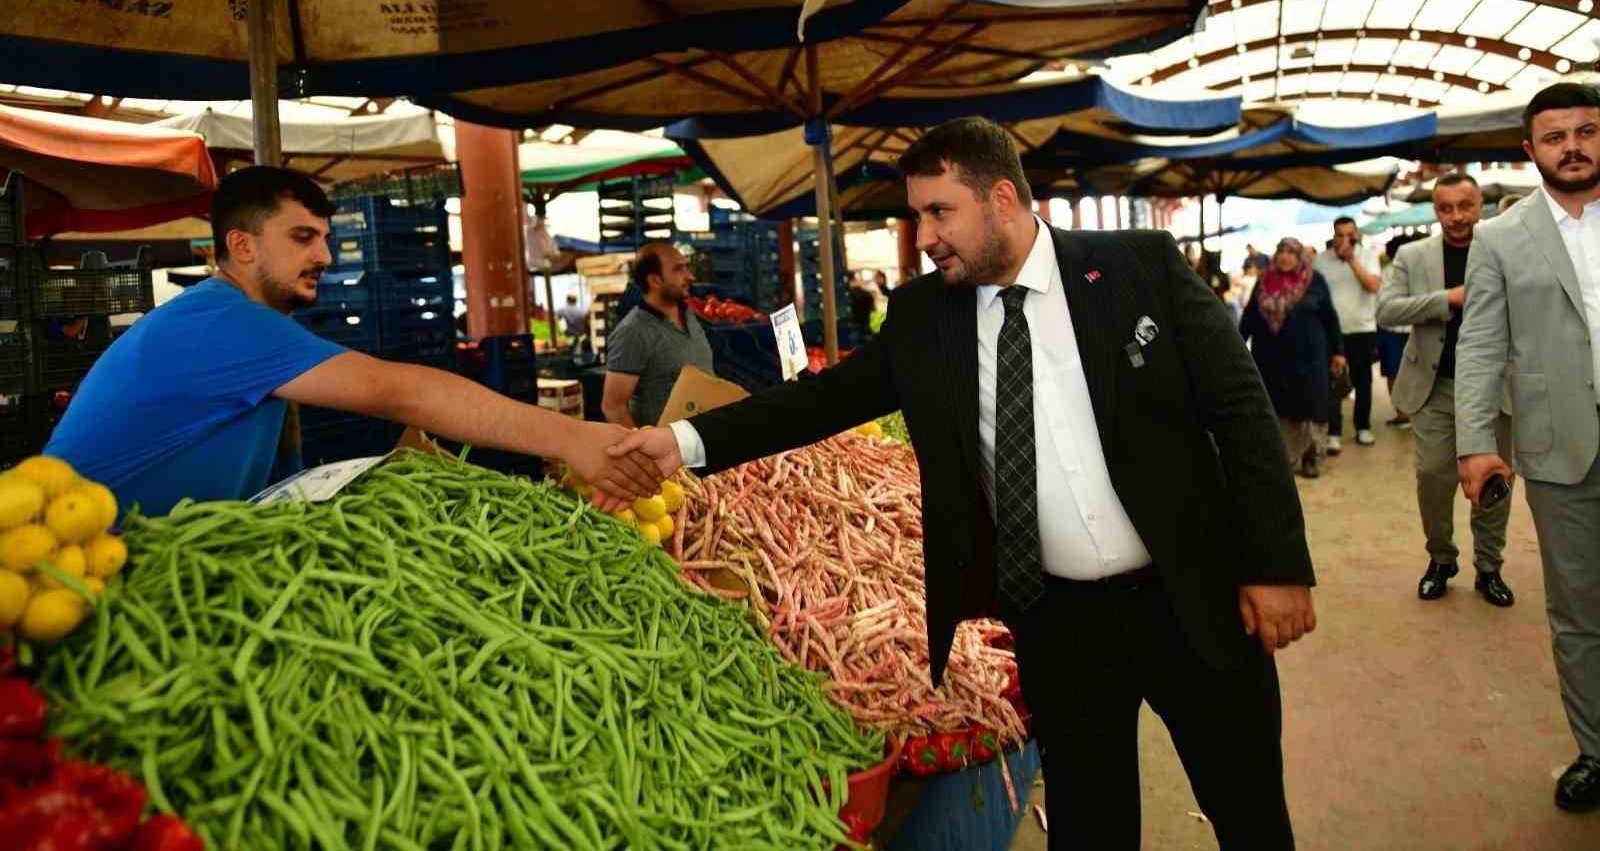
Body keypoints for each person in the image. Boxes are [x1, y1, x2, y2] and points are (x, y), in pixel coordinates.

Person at [612, 117, 1316, 850]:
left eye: (939, 212)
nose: (924, 237)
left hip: (1192, 596)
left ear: (1003, 199)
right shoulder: (925, 317)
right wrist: (680, 441)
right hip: (1061, 623)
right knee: (1090, 830)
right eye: (916, 215)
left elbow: (1241, 410)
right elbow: (819, 402)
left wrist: (1276, 564)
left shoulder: (1140, 267)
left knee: (1250, 813)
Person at [43, 167, 658, 515]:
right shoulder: (219, 322)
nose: (326, 256)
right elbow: (400, 393)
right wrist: (572, 437)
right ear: (242, 246)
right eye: (303, 238)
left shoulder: (238, 321)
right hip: (96, 570)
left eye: (326, 239)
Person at [1456, 82, 1600, 813]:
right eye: (1555, 136)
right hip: (1560, 447)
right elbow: (1480, 343)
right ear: (1530, 150)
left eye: (1586, 131)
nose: (1572, 146)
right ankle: (1597, 750)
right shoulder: (1500, 238)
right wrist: (1476, 442)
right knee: (1579, 611)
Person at [1377, 174, 1515, 607]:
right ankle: (1442, 559)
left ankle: (1489, 567)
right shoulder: (1413, 256)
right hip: (1434, 386)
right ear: (1436, 211)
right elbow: (1385, 309)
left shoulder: (1505, 247)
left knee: (1494, 480)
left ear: (1481, 205)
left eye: (1465, 205)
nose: (1457, 217)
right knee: (1434, 477)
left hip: (1495, 385)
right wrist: (1447, 298)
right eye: (1446, 208)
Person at [1240, 238, 1346, 479]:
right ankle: (1282, 457)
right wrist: (1236, 346)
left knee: (1309, 408)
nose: (1286, 257)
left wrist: (1338, 351)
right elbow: (1248, 319)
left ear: (1300, 257)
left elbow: (1330, 318)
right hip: (1270, 359)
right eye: (1282, 252)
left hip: (1309, 359)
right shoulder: (1263, 281)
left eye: (1291, 253)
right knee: (1277, 409)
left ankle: (1309, 458)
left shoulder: (1314, 280)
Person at [602, 242, 714, 428]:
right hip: (669, 452)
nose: (690, 276)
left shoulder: (687, 313)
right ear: (654, 280)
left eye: (687, 267)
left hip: (703, 442)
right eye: (679, 270)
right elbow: (613, 407)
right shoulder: (633, 332)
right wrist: (642, 452)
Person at [1315, 217, 1381, 453]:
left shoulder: (1367, 255)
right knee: (1332, 381)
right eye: (1339, 234)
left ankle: (1363, 426)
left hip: (1362, 328)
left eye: (1349, 234)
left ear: (1357, 235)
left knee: (1363, 381)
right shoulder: (1321, 260)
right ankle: (1333, 432)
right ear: (1333, 235)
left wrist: (1351, 258)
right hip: (1331, 331)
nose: (1344, 239)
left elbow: (1373, 286)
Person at [1376, 235, 1413, 430]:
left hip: (1394, 330)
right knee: (1399, 372)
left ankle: (1402, 413)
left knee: (1394, 372)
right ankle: (1405, 413)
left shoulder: (1387, 272)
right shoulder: (1414, 268)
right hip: (1408, 328)